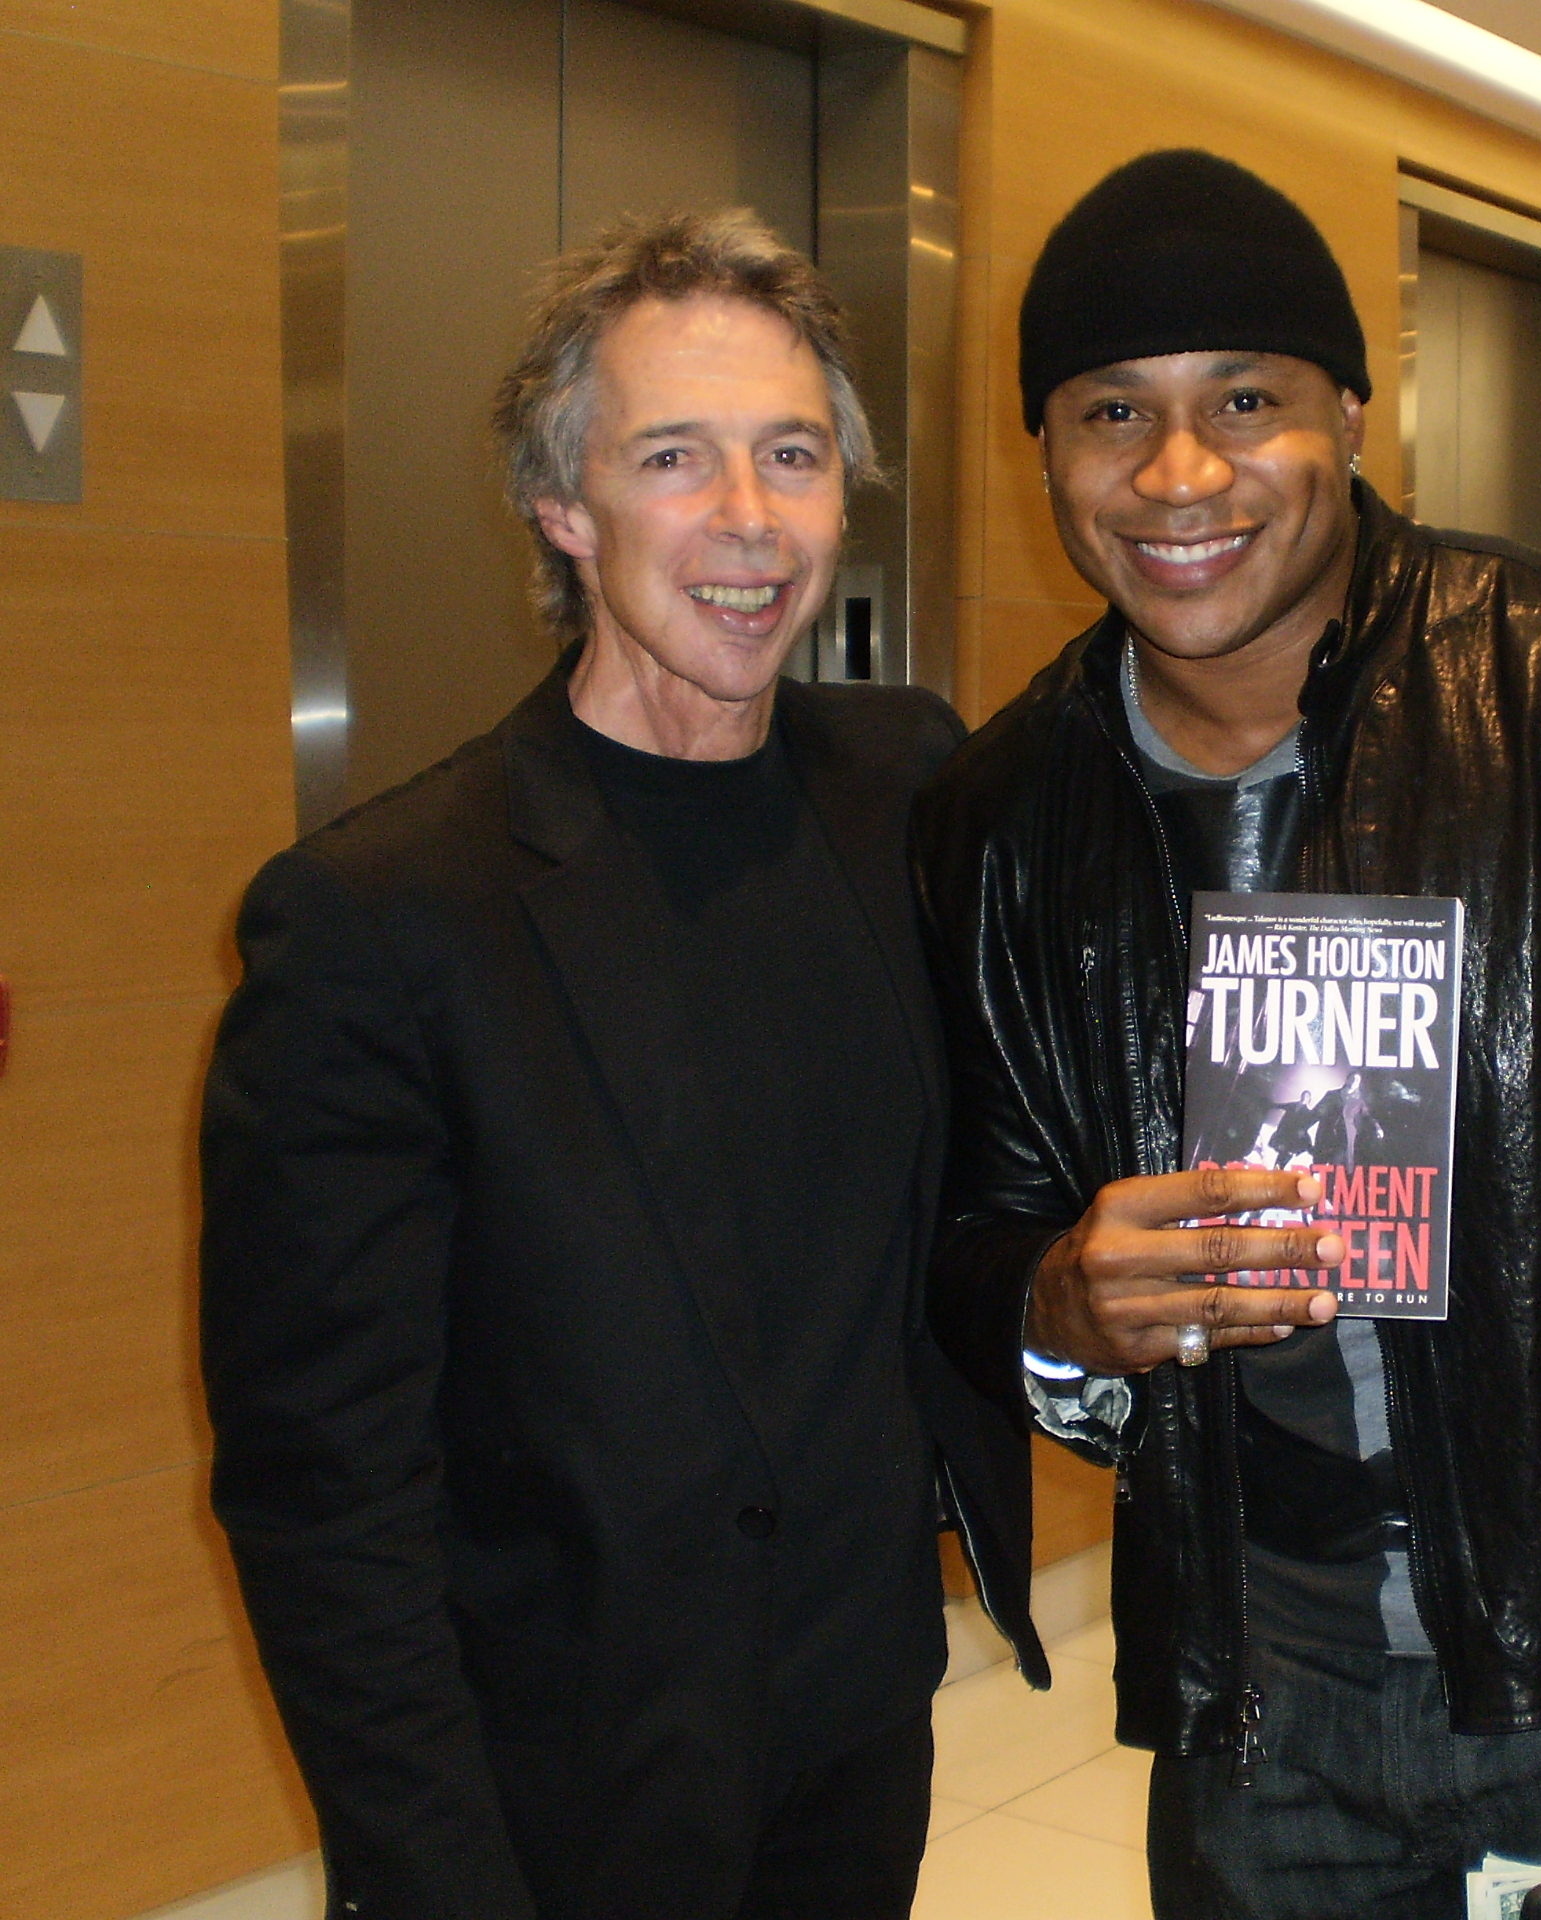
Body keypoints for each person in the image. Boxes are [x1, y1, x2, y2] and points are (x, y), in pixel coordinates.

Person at [912, 149, 1541, 1920]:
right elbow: (978, 1238)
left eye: (1248, 400)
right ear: (1043, 450)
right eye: (1110, 412)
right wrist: (1060, 1299)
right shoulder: (1007, 809)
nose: (1180, 472)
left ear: (1355, 417)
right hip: (1253, 1714)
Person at [200, 210, 1039, 1920]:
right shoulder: (381, 920)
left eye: (792, 456)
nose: (749, 520)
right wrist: (432, 1877)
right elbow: (324, 1491)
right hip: (560, 1784)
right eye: (676, 457)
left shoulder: (909, 789)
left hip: (859, 1730)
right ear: (563, 508)